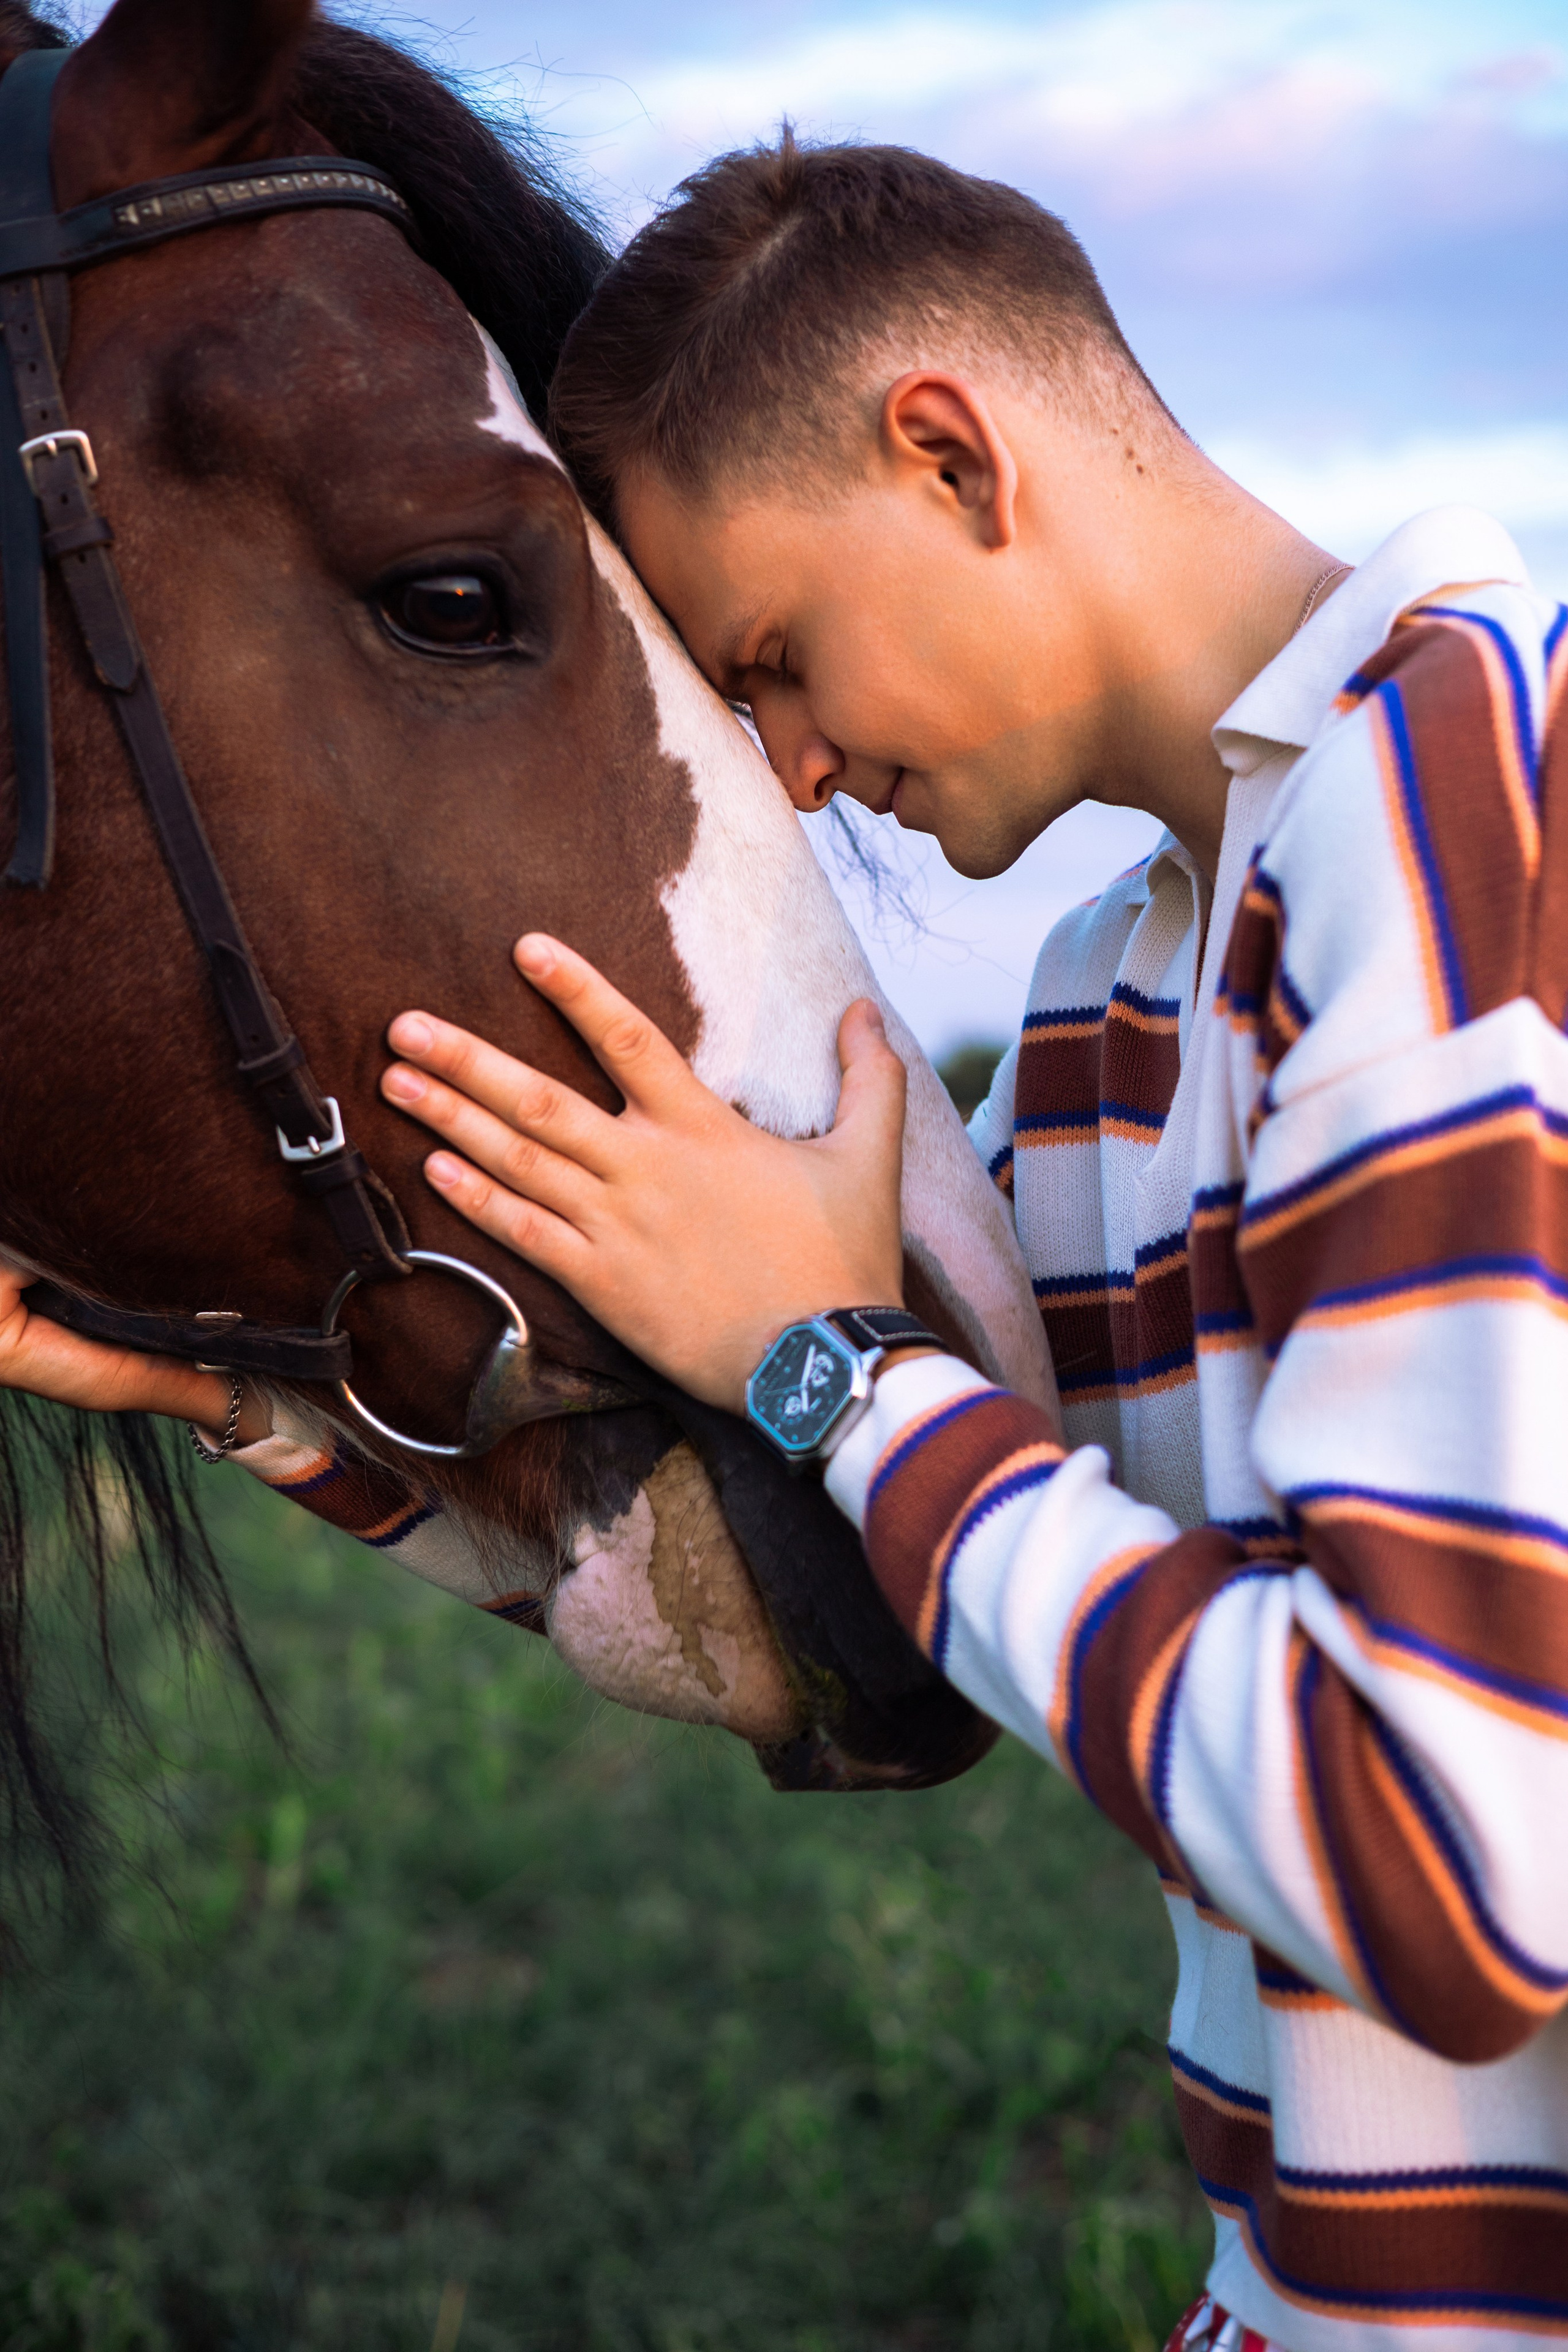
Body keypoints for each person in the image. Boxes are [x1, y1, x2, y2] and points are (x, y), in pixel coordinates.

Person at [4, 135, 1565, 2352]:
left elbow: (1470, 1867)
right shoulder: (1112, 1003)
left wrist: (834, 1360)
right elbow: (893, 1563)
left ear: (949, 456)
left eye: (774, 659)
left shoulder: (1474, 794)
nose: (795, 775)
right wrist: (250, 1412)